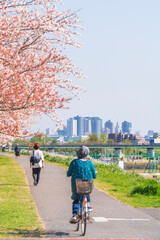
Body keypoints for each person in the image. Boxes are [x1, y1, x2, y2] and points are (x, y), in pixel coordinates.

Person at [67, 146, 97, 223]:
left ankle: (74, 215)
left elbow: (69, 173)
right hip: (88, 184)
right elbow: (95, 176)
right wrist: (94, 174)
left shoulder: (74, 162)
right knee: (87, 193)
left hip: (77, 184)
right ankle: (88, 207)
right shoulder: (90, 163)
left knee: (76, 199)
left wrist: (69, 173)